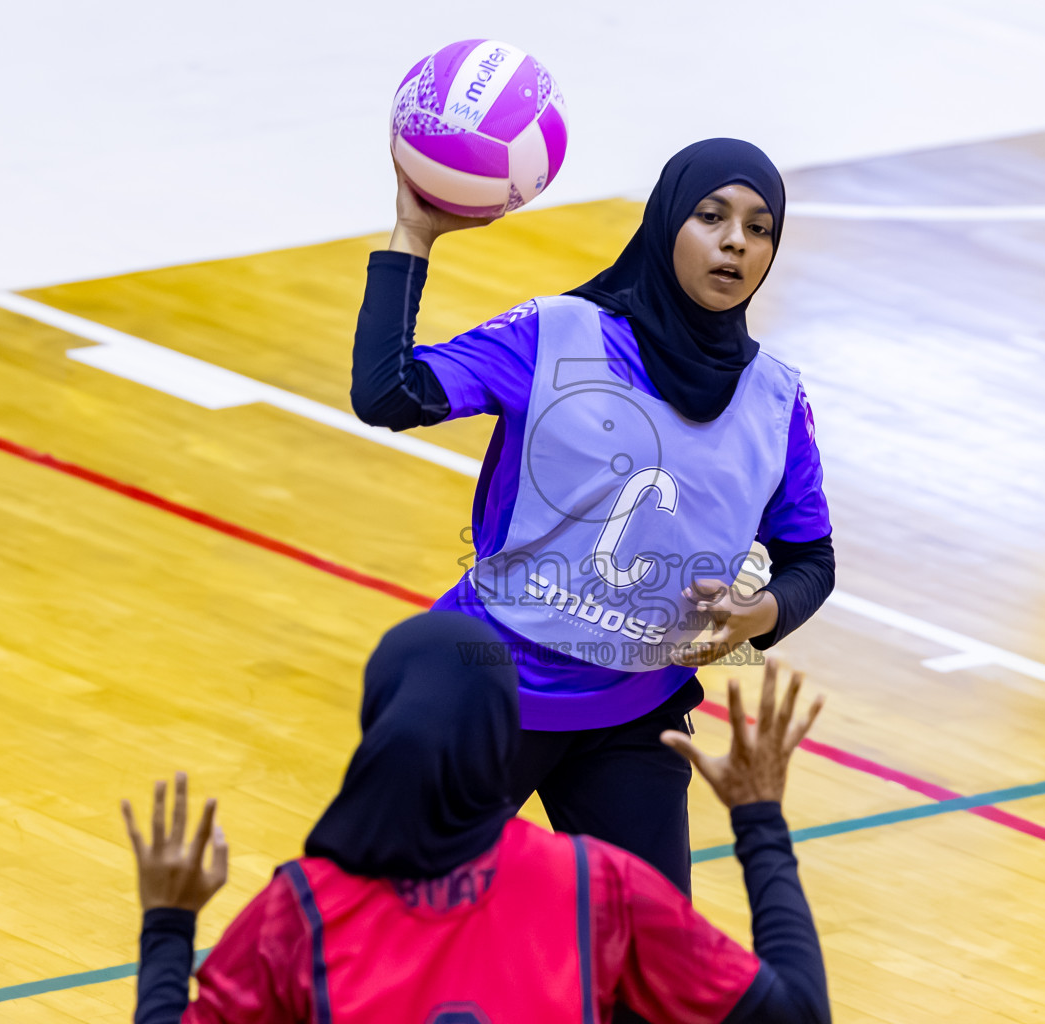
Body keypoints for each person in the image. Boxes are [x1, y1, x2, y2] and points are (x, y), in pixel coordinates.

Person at [350, 139, 835, 894]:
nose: (736, 240)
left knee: (650, 977)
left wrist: (759, 615)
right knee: (395, 923)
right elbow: (389, 393)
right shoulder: (554, 335)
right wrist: (413, 233)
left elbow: (814, 559)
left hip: (634, 715)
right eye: (711, 216)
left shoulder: (777, 402)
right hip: (489, 693)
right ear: (665, 221)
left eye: (759, 226)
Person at [125, 611, 829, 1023]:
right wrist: (759, 818)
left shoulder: (299, 912)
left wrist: (168, 923)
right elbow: (795, 1014)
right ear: (502, 734)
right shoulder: (595, 886)